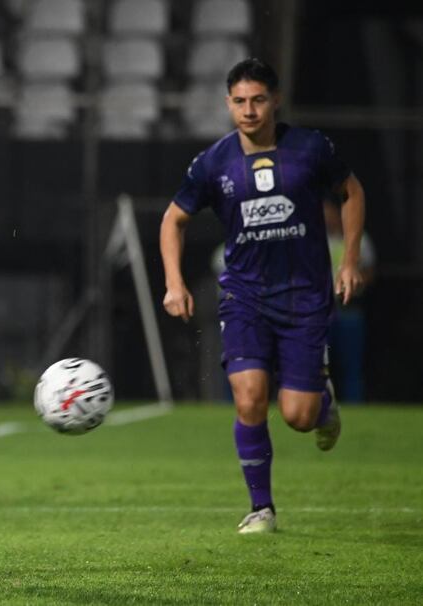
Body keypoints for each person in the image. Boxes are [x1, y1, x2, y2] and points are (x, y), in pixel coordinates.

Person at [160, 58, 366, 534]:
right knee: (250, 397)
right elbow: (173, 219)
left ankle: (321, 406)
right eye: (239, 101)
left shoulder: (311, 149)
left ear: (275, 100)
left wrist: (350, 260)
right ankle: (261, 509)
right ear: (228, 104)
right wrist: (174, 281)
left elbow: (351, 191)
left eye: (257, 100)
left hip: (305, 297)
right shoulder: (214, 162)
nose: (249, 110)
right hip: (245, 297)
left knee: (298, 416)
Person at [323, 200, 375, 401]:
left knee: (351, 364)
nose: (326, 218)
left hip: (348, 309)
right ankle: (323, 407)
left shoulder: (358, 239)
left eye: (329, 212)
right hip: (322, 311)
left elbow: (370, 271)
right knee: (320, 364)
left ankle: (355, 406)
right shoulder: (317, 238)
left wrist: (353, 282)